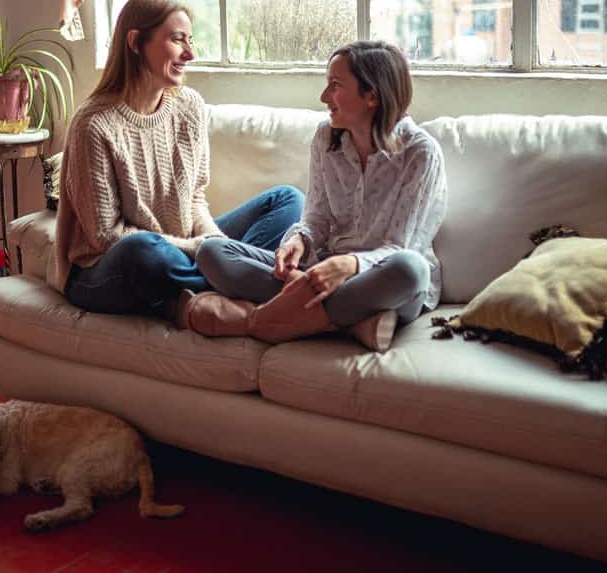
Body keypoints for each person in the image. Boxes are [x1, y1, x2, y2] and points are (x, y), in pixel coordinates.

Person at [54, 0, 303, 323]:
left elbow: (195, 198)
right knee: (144, 251)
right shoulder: (94, 124)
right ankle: (275, 288)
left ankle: (233, 286)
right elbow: (106, 237)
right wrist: (202, 250)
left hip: (183, 249)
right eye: (177, 40)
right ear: (135, 42)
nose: (191, 53)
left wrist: (214, 241)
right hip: (105, 268)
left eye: (190, 40)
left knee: (287, 200)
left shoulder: (189, 106)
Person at [191, 40, 447, 351]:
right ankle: (351, 323)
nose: (324, 97)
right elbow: (317, 216)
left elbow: (399, 247)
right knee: (213, 253)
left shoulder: (420, 152)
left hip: (379, 280)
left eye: (335, 85)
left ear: (372, 96)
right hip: (319, 275)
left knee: (411, 270)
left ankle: (260, 321)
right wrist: (298, 240)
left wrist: (350, 265)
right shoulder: (326, 138)